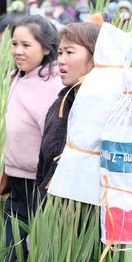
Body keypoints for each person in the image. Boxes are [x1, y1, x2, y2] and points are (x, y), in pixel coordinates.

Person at [3, 15, 63, 262]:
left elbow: (53, 141)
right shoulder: (20, 76)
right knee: (11, 256)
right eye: (14, 43)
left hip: (37, 188)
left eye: (26, 44)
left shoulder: (49, 85)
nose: (18, 50)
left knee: (25, 258)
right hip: (16, 184)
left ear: (47, 48)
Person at [35, 22, 101, 197]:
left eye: (70, 52)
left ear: (96, 57)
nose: (61, 60)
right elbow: (43, 167)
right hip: (48, 218)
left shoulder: (110, 110)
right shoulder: (60, 105)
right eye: (60, 53)